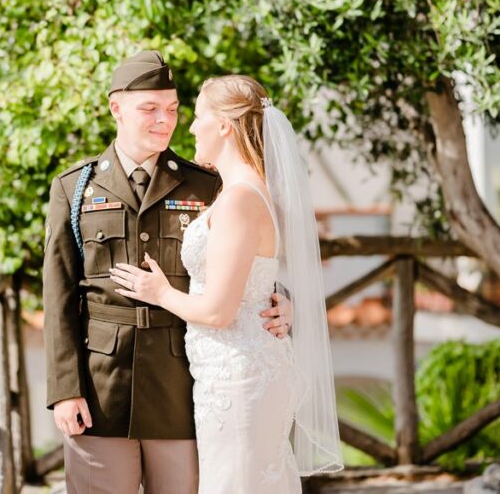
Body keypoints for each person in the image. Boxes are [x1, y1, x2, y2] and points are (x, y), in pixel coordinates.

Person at [42, 52, 293, 494]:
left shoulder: (208, 183)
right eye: (150, 109)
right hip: (101, 387)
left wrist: (281, 298)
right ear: (116, 108)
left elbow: (248, 257)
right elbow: (58, 295)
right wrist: (65, 389)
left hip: (181, 387)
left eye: (174, 109)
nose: (166, 120)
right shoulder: (74, 188)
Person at [111, 74, 344, 493]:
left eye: (198, 116)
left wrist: (159, 292)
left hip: (239, 379)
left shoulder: (239, 200)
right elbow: (255, 279)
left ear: (223, 126)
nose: (190, 126)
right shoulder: (246, 192)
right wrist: (283, 301)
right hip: (237, 372)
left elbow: (219, 311)